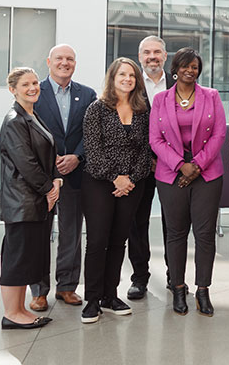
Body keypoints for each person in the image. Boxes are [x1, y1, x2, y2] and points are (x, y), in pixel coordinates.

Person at [150, 48, 226, 317]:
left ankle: (203, 290)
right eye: (185, 66)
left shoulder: (212, 96)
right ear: (175, 68)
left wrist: (197, 166)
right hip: (171, 175)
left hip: (207, 174)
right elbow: (155, 140)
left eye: (194, 66)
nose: (190, 70)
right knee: (176, 233)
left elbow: (218, 134)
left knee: (204, 235)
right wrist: (181, 166)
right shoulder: (160, 99)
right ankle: (178, 289)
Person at [80, 57, 153, 324]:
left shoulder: (143, 109)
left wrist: (130, 179)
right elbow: (93, 151)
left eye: (132, 76)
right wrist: (116, 178)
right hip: (99, 183)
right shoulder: (96, 109)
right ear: (112, 78)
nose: (127, 79)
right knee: (97, 242)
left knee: (118, 241)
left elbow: (146, 150)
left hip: (133, 185)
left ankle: (110, 296)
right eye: (122, 74)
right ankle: (92, 300)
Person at [30, 44, 97, 311]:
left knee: (70, 232)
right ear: (49, 61)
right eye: (59, 58)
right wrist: (53, 162)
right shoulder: (35, 92)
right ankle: (38, 291)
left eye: (69, 59)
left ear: (75, 64)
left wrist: (77, 157)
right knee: (40, 233)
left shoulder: (88, 94)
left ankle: (67, 287)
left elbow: (91, 133)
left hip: (76, 173)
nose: (64, 63)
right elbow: (29, 131)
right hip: (43, 175)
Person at [0, 67, 61, 330]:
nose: (33, 87)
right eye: (25, 84)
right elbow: (26, 163)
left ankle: (20, 309)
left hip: (34, 202)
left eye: (35, 82)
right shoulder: (14, 121)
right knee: (16, 259)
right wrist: (49, 188)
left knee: (25, 259)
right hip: (22, 202)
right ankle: (12, 313)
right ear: (13, 89)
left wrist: (56, 179)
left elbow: (47, 156)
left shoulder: (33, 117)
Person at [127, 35, 176, 300]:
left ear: (165, 56)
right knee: (137, 223)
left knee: (174, 223)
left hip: (170, 166)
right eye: (147, 52)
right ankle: (139, 277)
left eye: (157, 52)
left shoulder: (178, 84)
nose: (152, 57)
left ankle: (174, 275)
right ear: (140, 56)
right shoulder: (130, 83)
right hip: (140, 166)